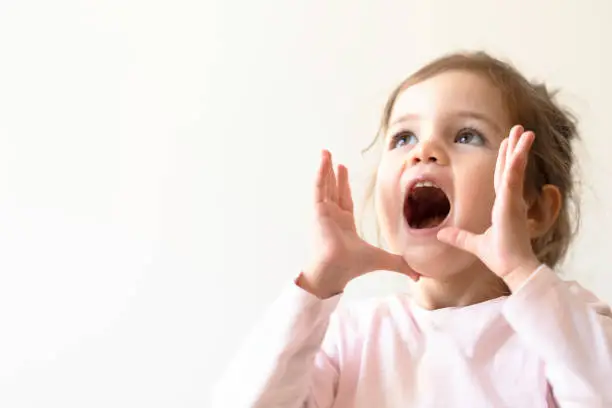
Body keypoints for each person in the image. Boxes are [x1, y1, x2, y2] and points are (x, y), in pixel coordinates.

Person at [211, 52, 612, 407]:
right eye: (404, 137)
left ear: (536, 209)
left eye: (466, 135)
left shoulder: (564, 329)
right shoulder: (351, 339)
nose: (425, 150)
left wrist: (524, 274)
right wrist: (319, 282)